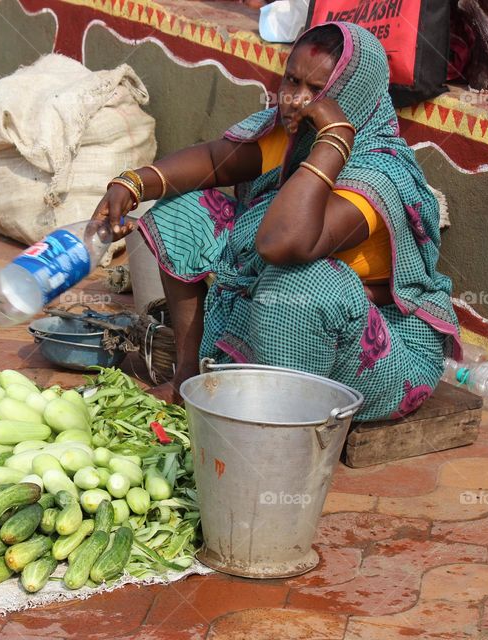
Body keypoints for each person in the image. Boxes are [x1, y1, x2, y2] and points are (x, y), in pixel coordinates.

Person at [90, 21, 461, 421]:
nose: (294, 100)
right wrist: (132, 184)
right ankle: (189, 377)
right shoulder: (291, 135)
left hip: (381, 353)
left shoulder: (378, 176)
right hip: (285, 308)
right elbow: (216, 161)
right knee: (184, 212)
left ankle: (280, 423)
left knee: (302, 279)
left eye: (318, 91)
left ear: (351, 96)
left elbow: (282, 244)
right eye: (291, 80)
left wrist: (334, 138)